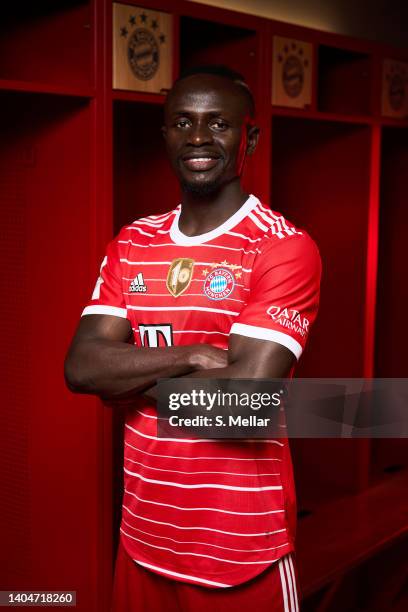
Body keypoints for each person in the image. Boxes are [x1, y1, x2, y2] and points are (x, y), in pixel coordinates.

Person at [64, 65, 321, 612]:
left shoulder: (283, 248)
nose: (199, 138)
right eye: (183, 122)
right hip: (141, 538)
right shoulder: (132, 242)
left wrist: (130, 379)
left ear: (248, 137)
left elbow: (244, 407)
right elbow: (82, 368)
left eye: (219, 124)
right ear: (165, 136)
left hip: (241, 550)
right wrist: (193, 356)